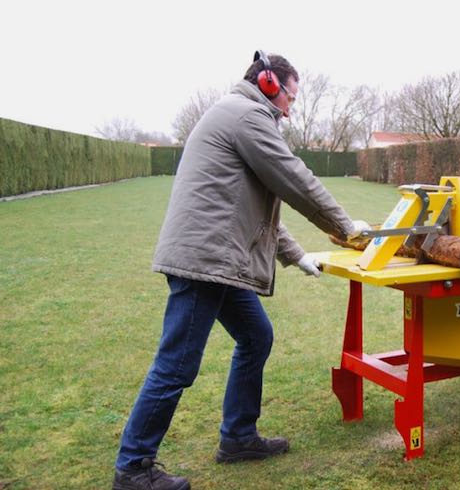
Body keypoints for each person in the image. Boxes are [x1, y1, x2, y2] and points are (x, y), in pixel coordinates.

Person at [112, 51, 369, 490]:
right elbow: (293, 178)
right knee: (176, 365)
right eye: (291, 95)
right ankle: (134, 467)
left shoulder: (237, 114)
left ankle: (239, 438)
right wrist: (345, 227)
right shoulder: (248, 117)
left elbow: (254, 207)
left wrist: (296, 255)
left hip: (216, 258)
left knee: (256, 335)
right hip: (204, 262)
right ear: (269, 85)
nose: (292, 106)